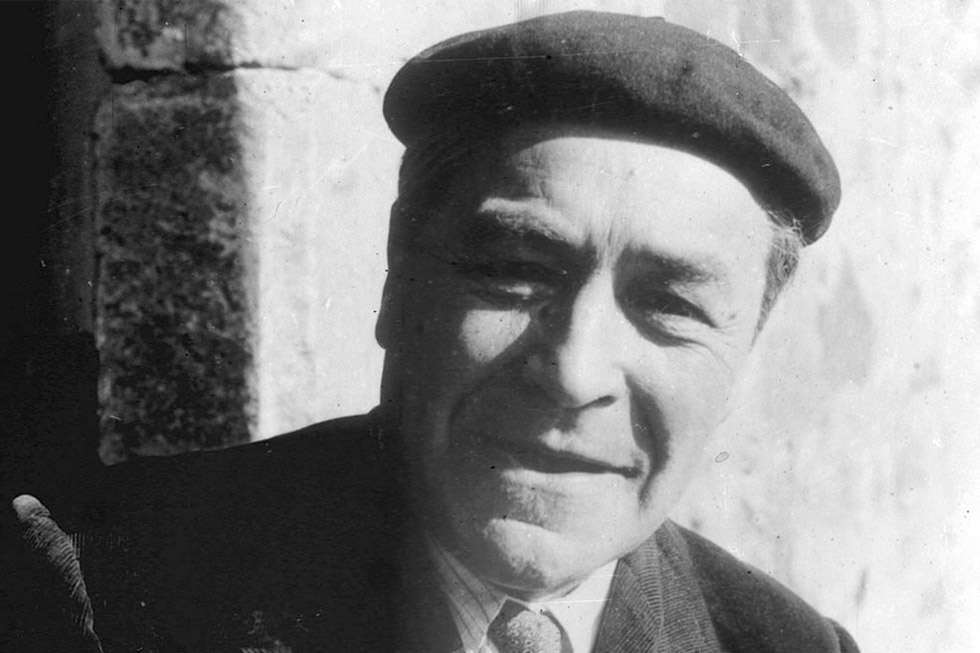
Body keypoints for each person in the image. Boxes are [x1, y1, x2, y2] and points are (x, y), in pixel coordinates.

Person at [2, 11, 859, 653]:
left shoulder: (787, 644)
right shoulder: (107, 589)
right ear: (397, 279)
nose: (573, 371)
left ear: (743, 360)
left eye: (669, 306)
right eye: (516, 268)